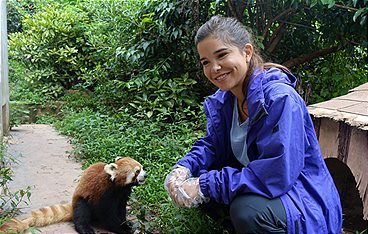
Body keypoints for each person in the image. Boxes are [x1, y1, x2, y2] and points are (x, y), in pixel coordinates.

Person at [164, 15, 342, 234]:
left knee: (245, 211)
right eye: (206, 62)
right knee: (203, 177)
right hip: (268, 184)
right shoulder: (224, 101)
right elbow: (212, 144)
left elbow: (277, 173)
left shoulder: (280, 99)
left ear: (246, 52)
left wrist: (205, 185)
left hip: (300, 195)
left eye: (222, 55)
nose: (215, 68)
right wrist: (184, 168)